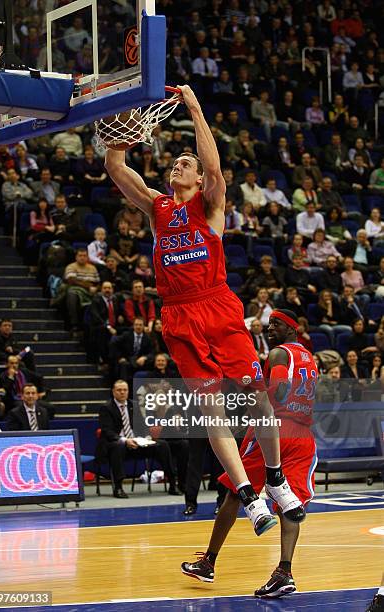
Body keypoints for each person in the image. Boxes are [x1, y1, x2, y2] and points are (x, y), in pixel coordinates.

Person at [105, 84, 305, 535]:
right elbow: (115, 167)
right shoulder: (158, 208)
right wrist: (124, 118)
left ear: (197, 179)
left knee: (256, 396)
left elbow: (214, 166)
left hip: (216, 305)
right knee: (212, 410)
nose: (179, 164)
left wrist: (193, 106)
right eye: (175, 162)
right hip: (178, 315)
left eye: (186, 164)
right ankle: (250, 497)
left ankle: (275, 479)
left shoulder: (209, 203)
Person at [181, 309, 318, 598]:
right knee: (289, 503)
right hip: (303, 433)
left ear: (292, 329)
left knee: (234, 489)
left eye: (276, 324)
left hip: (275, 431)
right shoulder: (307, 356)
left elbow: (278, 391)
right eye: (269, 324)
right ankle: (284, 572)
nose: (270, 329)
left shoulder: (280, 353)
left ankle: (208, 562)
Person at [96, 379, 179, 498]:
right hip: (117, 444)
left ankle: (172, 483)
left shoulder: (133, 405)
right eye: (119, 390)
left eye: (125, 390)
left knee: (162, 445)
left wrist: (146, 438)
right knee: (118, 446)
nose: (122, 392)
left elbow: (142, 426)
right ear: (113, 392)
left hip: (137, 443)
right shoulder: (106, 408)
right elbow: (107, 431)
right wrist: (125, 440)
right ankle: (118, 487)